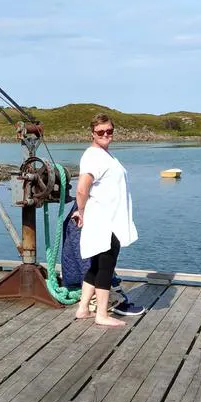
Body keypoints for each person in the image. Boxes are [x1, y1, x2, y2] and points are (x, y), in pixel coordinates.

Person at [71, 114, 138, 326]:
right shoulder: (93, 156)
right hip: (104, 222)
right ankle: (101, 314)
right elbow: (82, 189)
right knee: (106, 266)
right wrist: (80, 212)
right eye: (101, 132)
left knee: (96, 265)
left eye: (109, 131)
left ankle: (83, 308)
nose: (106, 135)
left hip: (110, 219)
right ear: (92, 133)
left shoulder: (104, 155)